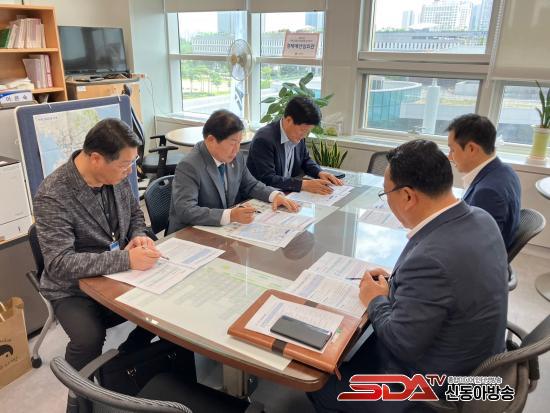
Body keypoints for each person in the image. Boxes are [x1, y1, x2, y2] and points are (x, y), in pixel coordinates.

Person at [308, 140, 508, 413]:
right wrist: (397, 285)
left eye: (386, 193)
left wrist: (375, 299)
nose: (387, 200)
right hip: (477, 365)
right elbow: (446, 286)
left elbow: (402, 345)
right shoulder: (482, 218)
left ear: (408, 196)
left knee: (320, 384)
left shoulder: (430, 259)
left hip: (435, 388)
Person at [33, 118, 161, 370]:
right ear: (96, 159)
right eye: (125, 164)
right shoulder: (53, 195)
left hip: (118, 274)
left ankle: (127, 357)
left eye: (132, 162)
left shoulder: (116, 174)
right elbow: (59, 263)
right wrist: (125, 259)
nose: (130, 171)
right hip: (73, 288)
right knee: (88, 339)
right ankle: (78, 390)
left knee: (164, 308)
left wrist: (138, 235)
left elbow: (135, 213)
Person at [168, 109, 299, 233]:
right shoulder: (189, 166)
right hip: (189, 233)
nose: (236, 150)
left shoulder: (236, 157)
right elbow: (186, 210)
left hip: (220, 230)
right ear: (211, 140)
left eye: (239, 142)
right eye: (232, 143)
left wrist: (275, 195)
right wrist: (229, 215)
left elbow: (251, 184)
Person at [446, 114, 521, 249]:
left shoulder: (487, 193)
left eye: (452, 150)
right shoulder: (505, 171)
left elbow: (476, 247)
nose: (449, 157)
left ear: (472, 149)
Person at [247, 96, 343, 194]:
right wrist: (303, 185)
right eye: (303, 130)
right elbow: (268, 178)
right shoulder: (264, 139)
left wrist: (319, 172)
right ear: (289, 120)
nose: (304, 135)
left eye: (308, 131)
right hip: (261, 196)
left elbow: (305, 160)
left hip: (286, 192)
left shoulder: (296, 134)